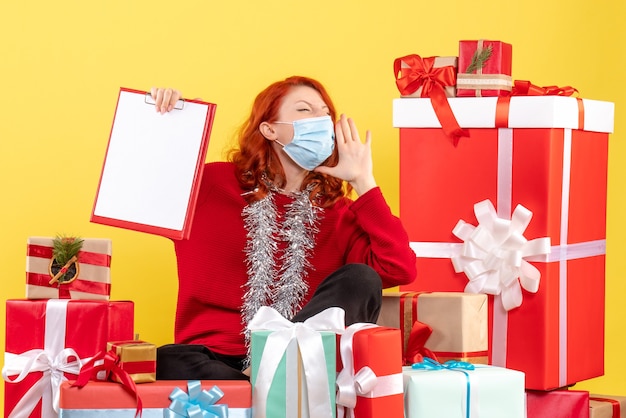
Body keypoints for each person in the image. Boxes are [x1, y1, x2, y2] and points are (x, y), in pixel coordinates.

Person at [151, 76, 417, 381]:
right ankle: (256, 385)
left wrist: (363, 181)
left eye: (325, 113)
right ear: (269, 129)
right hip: (216, 358)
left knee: (362, 278)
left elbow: (399, 268)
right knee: (164, 360)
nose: (321, 119)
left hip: (299, 361)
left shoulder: (340, 213)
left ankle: (268, 372)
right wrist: (167, 119)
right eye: (305, 110)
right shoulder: (211, 184)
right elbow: (145, 189)